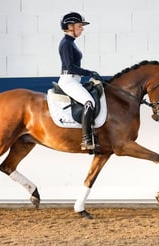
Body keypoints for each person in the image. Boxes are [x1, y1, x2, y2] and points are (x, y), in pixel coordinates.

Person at [58, 12, 103, 151]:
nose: (82, 28)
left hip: (75, 80)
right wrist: (90, 73)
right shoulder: (66, 43)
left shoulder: (70, 43)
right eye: (79, 26)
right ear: (70, 26)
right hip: (68, 80)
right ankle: (86, 139)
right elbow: (70, 66)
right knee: (89, 102)